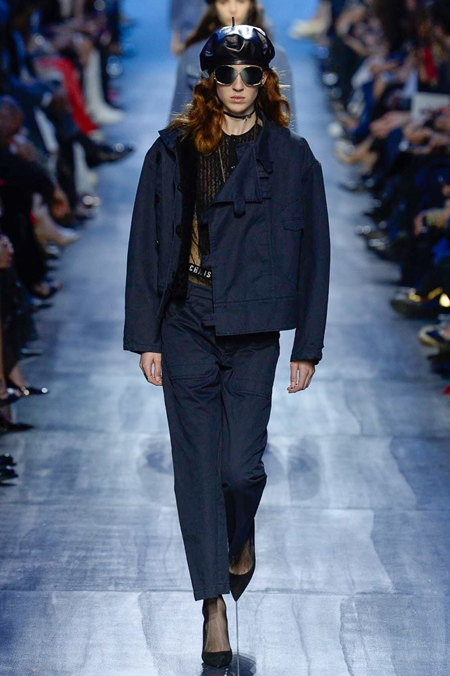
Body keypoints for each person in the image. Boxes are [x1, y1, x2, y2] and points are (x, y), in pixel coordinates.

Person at [123, 21, 331, 668]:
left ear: (264, 80)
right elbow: (146, 242)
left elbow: (316, 255)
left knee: (241, 469)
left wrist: (308, 346)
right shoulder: (173, 150)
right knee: (196, 469)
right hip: (186, 316)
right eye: (226, 74)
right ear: (209, 81)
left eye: (250, 74)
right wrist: (146, 334)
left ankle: (240, 539)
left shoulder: (291, 157)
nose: (238, 85)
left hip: (253, 329)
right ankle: (213, 605)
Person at [169, 0, 298, 131]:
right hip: (205, 138)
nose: (232, 9)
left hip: (261, 140)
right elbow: (179, 116)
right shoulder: (191, 55)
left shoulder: (277, 57)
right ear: (213, 6)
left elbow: (285, 119)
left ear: (252, 4)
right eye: (223, 2)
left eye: (240, 1)